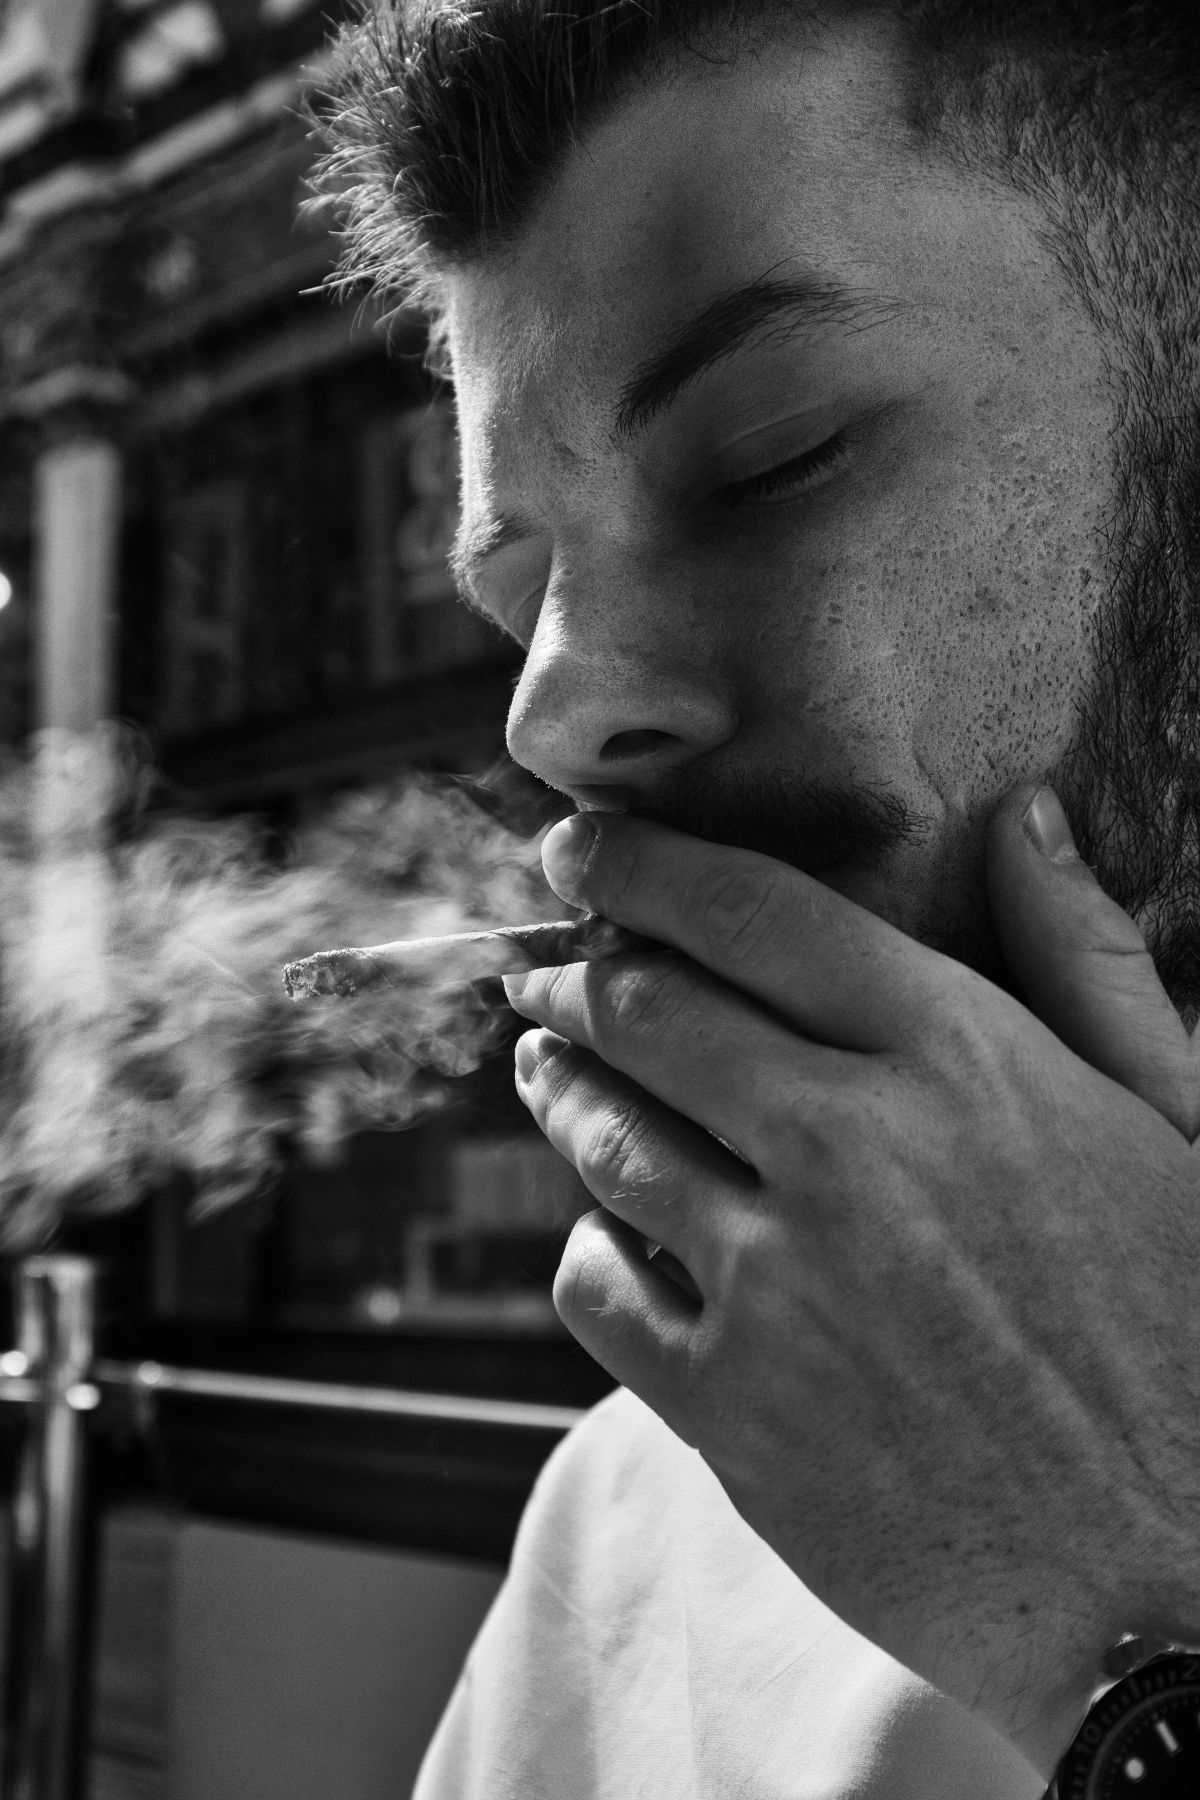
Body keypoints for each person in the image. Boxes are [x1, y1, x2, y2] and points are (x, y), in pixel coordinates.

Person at [314, 3, 1200, 1793]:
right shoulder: (651, 1496)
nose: (553, 710)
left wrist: (1133, 1580)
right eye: (521, 594)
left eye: (774, 453)